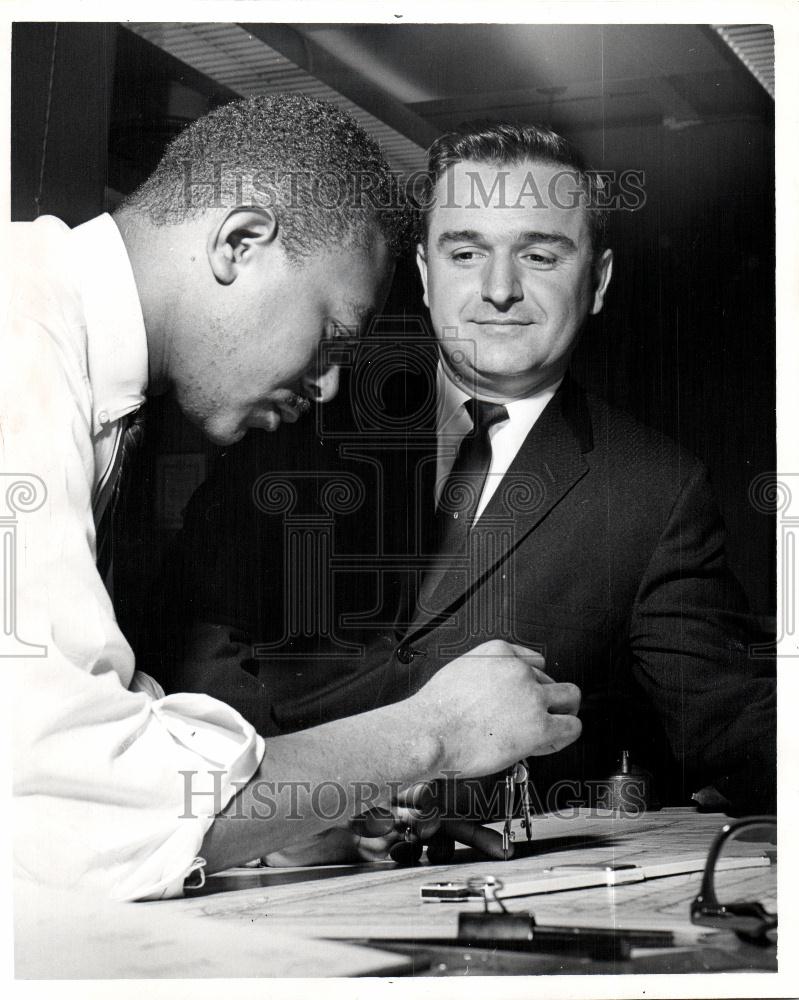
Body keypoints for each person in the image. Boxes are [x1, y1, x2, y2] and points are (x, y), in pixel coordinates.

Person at [2, 97, 583, 900]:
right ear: (241, 243)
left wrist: (292, 811)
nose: (331, 382)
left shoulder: (59, 342)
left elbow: (103, 743)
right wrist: (432, 732)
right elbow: (76, 803)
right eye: (332, 336)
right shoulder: (17, 342)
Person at [169, 120, 775, 826]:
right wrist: (291, 808)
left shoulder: (655, 490)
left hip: (487, 896)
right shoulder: (296, 412)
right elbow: (191, 640)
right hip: (259, 854)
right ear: (425, 275)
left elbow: (731, 723)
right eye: (465, 252)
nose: (498, 290)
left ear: (598, 279)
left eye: (540, 255)